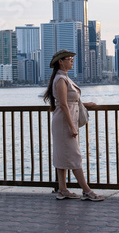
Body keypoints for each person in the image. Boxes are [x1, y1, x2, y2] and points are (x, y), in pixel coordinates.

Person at [43, 49, 105, 201]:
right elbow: (63, 104)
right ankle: (87, 191)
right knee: (74, 155)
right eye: (69, 58)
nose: (72, 60)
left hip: (65, 120)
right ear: (60, 61)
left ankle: (63, 190)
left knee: (62, 155)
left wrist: (85, 104)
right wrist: (71, 126)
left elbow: (68, 101)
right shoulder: (61, 79)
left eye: (72, 58)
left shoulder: (63, 78)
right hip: (65, 122)